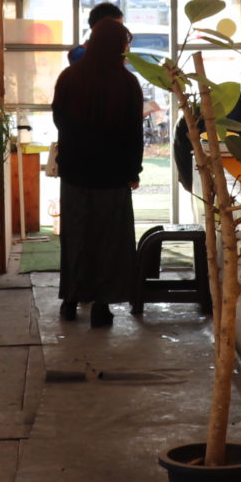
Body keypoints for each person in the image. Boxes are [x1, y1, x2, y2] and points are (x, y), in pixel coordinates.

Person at [50, 21, 144, 326]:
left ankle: (70, 300)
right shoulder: (127, 83)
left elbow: (59, 120)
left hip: (76, 172)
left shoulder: (69, 77)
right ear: (117, 45)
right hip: (113, 174)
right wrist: (134, 169)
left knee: (76, 236)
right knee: (109, 240)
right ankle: (102, 306)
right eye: (126, 43)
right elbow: (133, 133)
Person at [173, 82, 241, 192]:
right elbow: (210, 133)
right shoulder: (230, 104)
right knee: (190, 173)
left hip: (209, 141)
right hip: (188, 131)